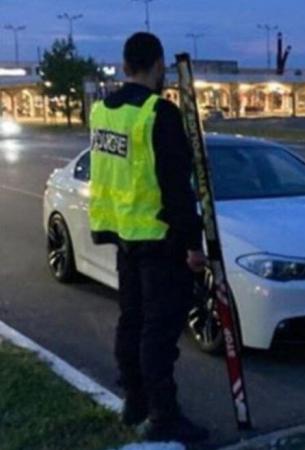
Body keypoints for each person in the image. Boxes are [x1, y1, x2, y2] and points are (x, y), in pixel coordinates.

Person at [88, 32, 208, 443]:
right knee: (158, 333)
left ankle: (135, 399)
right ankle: (163, 415)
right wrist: (194, 245)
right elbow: (177, 185)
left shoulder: (102, 110)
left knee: (132, 321)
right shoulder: (159, 113)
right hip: (159, 238)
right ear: (158, 66)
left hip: (124, 234)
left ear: (124, 67)